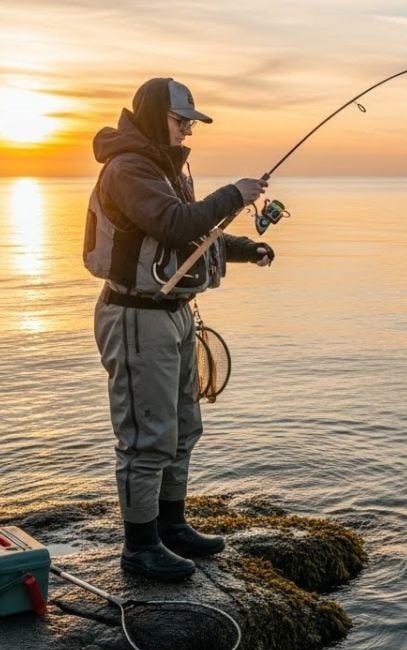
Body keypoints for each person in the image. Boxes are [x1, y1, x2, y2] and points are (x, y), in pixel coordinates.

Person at [83, 77, 274, 581]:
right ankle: (140, 547)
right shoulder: (127, 169)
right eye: (180, 120)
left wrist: (245, 248)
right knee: (147, 437)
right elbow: (174, 223)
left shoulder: (165, 169)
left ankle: (171, 526)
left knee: (184, 428)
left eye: (191, 122)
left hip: (174, 314)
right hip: (136, 317)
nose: (188, 129)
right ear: (154, 117)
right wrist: (234, 194)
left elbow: (194, 234)